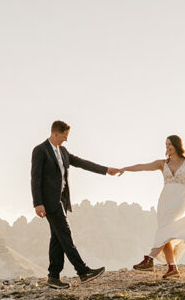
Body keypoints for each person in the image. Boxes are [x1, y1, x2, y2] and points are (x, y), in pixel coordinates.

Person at [120, 135, 185, 279]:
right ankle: (172, 269)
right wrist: (125, 168)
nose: (167, 147)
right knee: (166, 232)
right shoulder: (162, 163)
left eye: (170, 144)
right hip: (164, 201)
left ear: (177, 145)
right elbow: (142, 167)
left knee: (166, 229)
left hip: (179, 200)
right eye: (166, 144)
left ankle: (149, 259)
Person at [31, 120, 119, 288]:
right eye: (65, 136)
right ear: (56, 133)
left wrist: (106, 170)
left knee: (57, 238)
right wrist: (38, 203)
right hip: (49, 202)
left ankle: (53, 277)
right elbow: (35, 178)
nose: (66, 139)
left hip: (62, 200)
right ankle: (83, 271)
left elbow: (81, 162)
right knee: (65, 235)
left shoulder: (63, 151)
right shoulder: (40, 150)